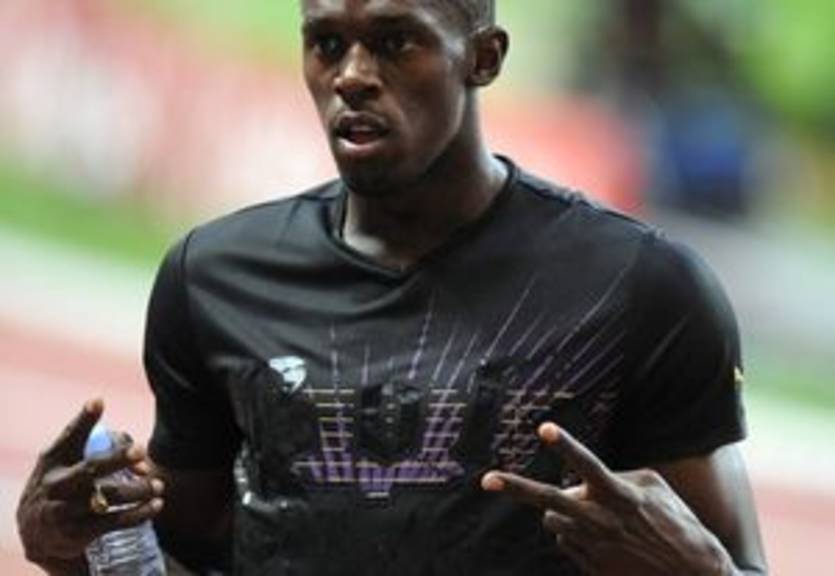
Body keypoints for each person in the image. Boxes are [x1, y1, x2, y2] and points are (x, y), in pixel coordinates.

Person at [17, 0, 768, 574]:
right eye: (326, 44)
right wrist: (65, 549)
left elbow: (734, 564)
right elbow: (180, 556)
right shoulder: (213, 278)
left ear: (483, 57)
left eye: (394, 42)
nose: (350, 75)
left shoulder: (641, 288)